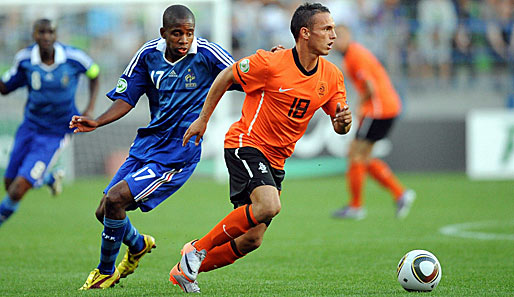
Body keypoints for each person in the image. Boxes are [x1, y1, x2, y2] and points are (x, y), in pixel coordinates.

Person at [171, 2, 352, 292]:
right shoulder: (270, 63)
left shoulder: (332, 76)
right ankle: (196, 250)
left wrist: (344, 121)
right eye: (326, 29)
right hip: (246, 143)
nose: (334, 35)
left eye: (334, 28)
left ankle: (185, 270)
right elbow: (226, 76)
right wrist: (203, 120)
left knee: (251, 240)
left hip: (277, 160)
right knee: (269, 205)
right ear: (305, 33)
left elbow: (340, 126)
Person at [70, 4, 241, 291]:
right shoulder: (148, 55)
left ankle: (104, 271)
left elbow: (241, 74)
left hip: (178, 153)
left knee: (114, 199)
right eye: (177, 33)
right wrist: (98, 121)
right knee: (104, 211)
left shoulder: (208, 54)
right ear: (164, 33)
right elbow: (127, 98)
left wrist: (269, 62)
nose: (184, 39)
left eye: (189, 33)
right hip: (147, 145)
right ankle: (138, 245)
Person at [0, 19, 99, 228]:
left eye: (50, 32)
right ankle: (49, 179)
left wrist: (89, 108)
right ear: (34, 35)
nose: (46, 36)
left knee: (18, 189)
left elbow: (94, 73)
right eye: (41, 32)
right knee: (9, 185)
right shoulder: (25, 59)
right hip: (29, 127)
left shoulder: (73, 57)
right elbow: (6, 88)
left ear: (56, 35)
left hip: (55, 133)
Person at [331, 25, 415, 220]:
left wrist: (359, 105)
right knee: (363, 157)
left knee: (355, 154)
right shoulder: (355, 53)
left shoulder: (354, 56)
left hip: (378, 109)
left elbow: (369, 86)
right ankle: (400, 193)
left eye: (339, 36)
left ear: (349, 36)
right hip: (389, 107)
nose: (335, 40)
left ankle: (356, 206)